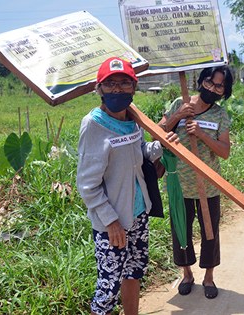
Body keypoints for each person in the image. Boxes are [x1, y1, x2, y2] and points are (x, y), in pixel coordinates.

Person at [76, 57, 178, 315]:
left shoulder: (132, 118)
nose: (117, 89)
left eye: (124, 83)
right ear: (99, 89)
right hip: (113, 221)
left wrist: (161, 146)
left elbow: (139, 152)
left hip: (138, 213)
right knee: (109, 285)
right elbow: (87, 184)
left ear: (134, 87)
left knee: (134, 272)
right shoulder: (94, 125)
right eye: (110, 84)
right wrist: (110, 221)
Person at [158, 66, 233, 299]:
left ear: (224, 90)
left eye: (219, 86)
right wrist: (177, 116)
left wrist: (201, 134)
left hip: (207, 185)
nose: (212, 88)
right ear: (201, 81)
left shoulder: (220, 115)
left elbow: (224, 152)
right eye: (209, 82)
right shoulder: (179, 104)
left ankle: (209, 277)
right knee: (181, 230)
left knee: (210, 233)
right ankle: (187, 274)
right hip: (178, 183)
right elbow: (157, 133)